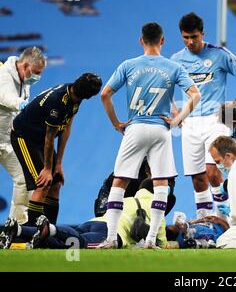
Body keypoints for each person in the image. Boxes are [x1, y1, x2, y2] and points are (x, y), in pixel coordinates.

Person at [99, 22, 200, 249]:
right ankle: (152, 240)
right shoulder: (173, 67)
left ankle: (111, 238)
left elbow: (105, 94)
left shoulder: (128, 65)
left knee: (120, 181)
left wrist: (116, 123)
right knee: (161, 183)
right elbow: (195, 94)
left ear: (141, 40)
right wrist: (177, 119)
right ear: (162, 41)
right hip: (160, 130)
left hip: (135, 127)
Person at [171, 12, 236, 220]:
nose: (190, 42)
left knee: (212, 172)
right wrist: (177, 113)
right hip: (190, 123)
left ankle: (225, 218)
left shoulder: (219, 54)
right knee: (197, 178)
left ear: (202, 33)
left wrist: (235, 106)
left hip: (216, 121)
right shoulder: (176, 60)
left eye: (194, 37)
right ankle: (204, 220)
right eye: (186, 37)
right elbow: (165, 89)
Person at [10, 73, 101, 226]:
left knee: (56, 183)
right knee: (43, 183)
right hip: (24, 137)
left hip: (42, 138)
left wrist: (58, 164)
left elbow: (65, 128)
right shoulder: (57, 102)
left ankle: (49, 232)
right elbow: (49, 138)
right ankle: (33, 233)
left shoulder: (75, 96)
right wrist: (47, 168)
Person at [1, 181, 167, 249]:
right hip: (112, 233)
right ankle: (49, 229)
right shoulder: (159, 210)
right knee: (82, 244)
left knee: (63, 244)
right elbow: (162, 243)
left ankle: (18, 230)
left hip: (95, 221)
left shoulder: (128, 199)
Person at [0, 47, 46, 224]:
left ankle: (17, 227)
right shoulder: (3, 74)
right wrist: (24, 106)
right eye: (36, 72)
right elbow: (5, 97)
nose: (37, 77)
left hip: (7, 141)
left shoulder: (25, 82)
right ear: (25, 65)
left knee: (24, 180)